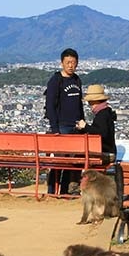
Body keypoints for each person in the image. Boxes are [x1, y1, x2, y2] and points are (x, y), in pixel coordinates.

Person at [45, 48, 84, 194]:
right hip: (61, 126)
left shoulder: (77, 80)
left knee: (70, 162)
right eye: (68, 62)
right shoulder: (56, 80)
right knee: (60, 161)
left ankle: (64, 190)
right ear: (62, 63)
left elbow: (79, 104)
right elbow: (50, 105)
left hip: (75, 126)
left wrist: (82, 122)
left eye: (73, 62)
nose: (70, 65)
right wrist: (54, 128)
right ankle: (52, 190)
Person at [74, 84, 116, 161]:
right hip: (107, 149)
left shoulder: (102, 114)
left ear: (95, 101)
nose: (90, 104)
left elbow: (101, 132)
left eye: (90, 102)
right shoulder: (106, 112)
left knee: (77, 158)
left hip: (105, 150)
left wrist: (85, 126)